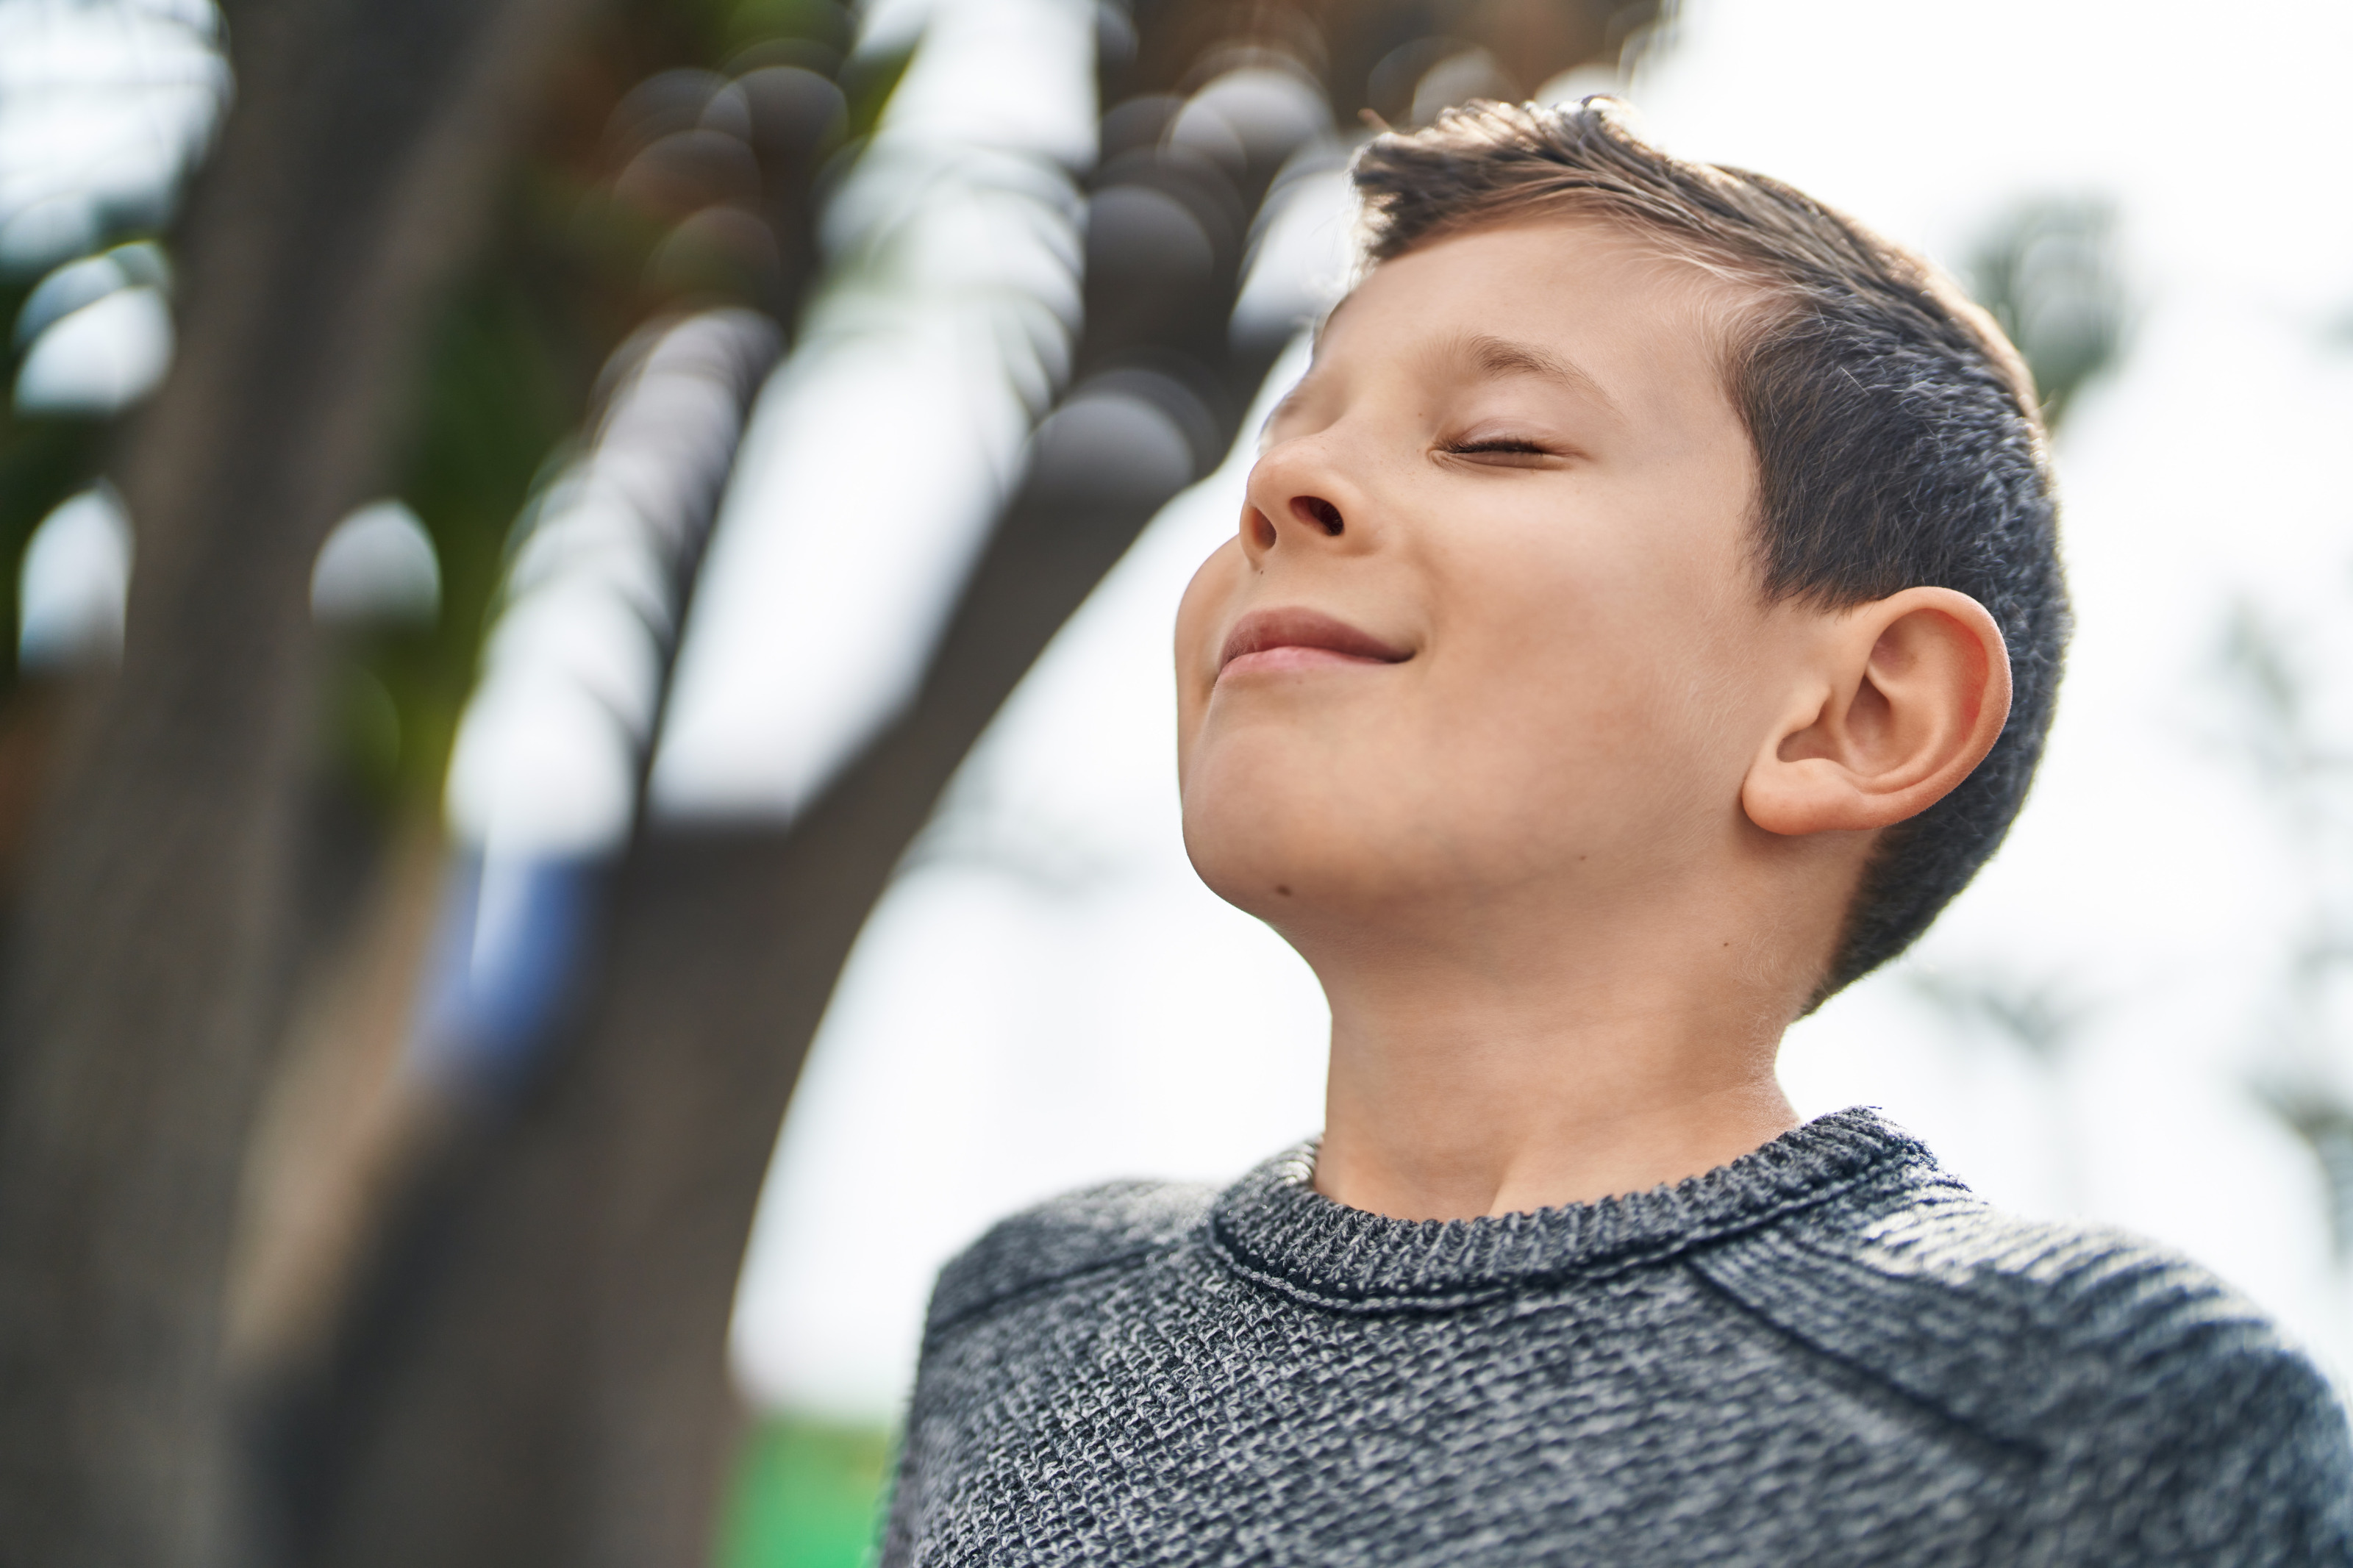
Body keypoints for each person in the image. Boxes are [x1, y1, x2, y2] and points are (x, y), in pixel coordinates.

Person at [878, 99, 2353, 1565]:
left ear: (1861, 713)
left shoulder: (2078, 1404)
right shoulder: (1025, 1315)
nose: (1277, 490)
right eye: (1293, 435)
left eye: (1497, 440)